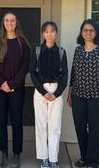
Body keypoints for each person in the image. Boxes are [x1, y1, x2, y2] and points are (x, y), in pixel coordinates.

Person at [67, 19, 99, 168]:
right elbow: (73, 74)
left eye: (91, 30)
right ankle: (84, 157)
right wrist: (69, 93)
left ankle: (92, 161)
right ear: (81, 32)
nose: (88, 33)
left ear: (96, 32)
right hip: (78, 95)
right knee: (79, 127)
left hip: (96, 96)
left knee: (94, 129)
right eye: (85, 30)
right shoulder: (78, 50)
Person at [0, 12, 30, 168]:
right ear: (3, 23)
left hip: (17, 89)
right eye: (7, 20)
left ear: (16, 23)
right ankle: (4, 152)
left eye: (12, 20)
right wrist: (1, 83)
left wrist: (11, 84)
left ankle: (17, 153)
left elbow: (24, 67)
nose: (10, 23)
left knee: (17, 120)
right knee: (1, 120)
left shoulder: (23, 43)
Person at [30, 21, 68, 168]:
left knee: (54, 127)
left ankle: (53, 159)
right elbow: (32, 73)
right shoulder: (37, 51)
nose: (49, 34)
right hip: (40, 91)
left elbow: (65, 74)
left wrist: (57, 93)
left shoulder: (61, 52)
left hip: (57, 91)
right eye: (46, 31)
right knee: (41, 126)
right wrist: (43, 92)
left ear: (56, 33)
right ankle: (44, 158)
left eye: (52, 31)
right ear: (43, 34)